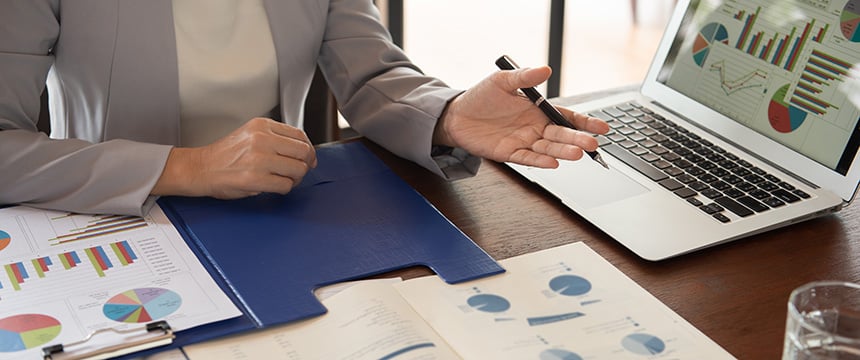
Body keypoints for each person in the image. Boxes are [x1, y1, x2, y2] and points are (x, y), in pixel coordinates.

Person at [0, 0, 609, 216]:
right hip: (113, 214)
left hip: (278, 207)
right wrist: (186, 168)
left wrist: (449, 114)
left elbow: (371, 72)